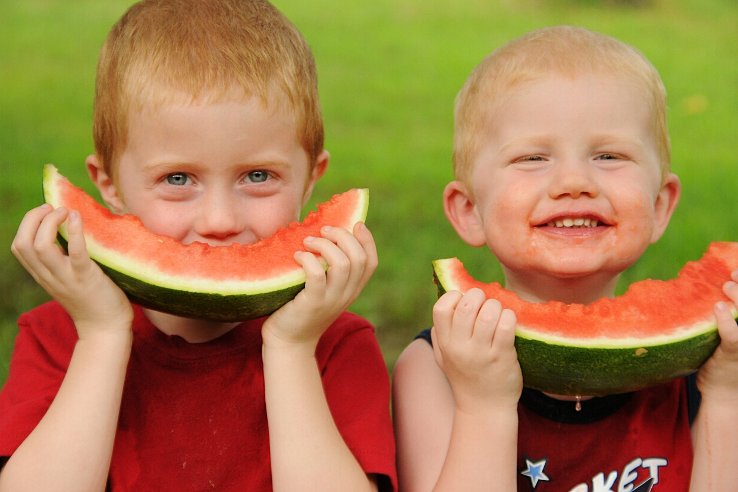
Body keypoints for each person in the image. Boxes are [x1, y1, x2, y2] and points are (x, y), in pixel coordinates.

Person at [0, 1, 396, 490]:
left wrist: (291, 349)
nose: (220, 221)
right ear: (108, 184)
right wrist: (101, 335)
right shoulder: (56, 335)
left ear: (312, 178)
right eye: (178, 178)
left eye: (258, 176)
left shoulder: (336, 343)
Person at [392, 25, 738, 491]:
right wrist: (484, 407)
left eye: (610, 156)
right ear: (469, 211)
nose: (574, 181)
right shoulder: (434, 368)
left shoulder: (707, 364)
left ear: (660, 206)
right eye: (533, 158)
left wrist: (726, 399)